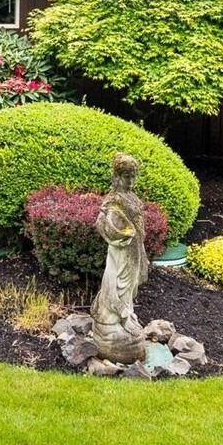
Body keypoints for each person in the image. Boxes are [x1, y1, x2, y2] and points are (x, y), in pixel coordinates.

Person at [88, 153, 149, 363]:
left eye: (133, 176)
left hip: (135, 248)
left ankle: (126, 314)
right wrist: (122, 232)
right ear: (117, 176)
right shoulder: (114, 199)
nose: (130, 181)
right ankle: (111, 319)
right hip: (121, 249)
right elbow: (103, 221)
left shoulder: (132, 196)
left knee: (130, 283)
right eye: (126, 177)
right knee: (119, 281)